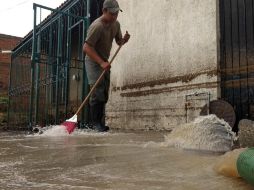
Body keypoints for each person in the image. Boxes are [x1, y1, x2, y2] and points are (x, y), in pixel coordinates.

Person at [83, 0, 130, 132]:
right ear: (104, 11)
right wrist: (101, 62)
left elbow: (118, 41)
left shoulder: (116, 25)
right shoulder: (97, 26)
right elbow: (86, 47)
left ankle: (100, 122)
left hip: (104, 60)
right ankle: (95, 123)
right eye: (112, 13)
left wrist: (124, 40)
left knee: (103, 92)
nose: (115, 16)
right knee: (97, 89)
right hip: (93, 61)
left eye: (116, 13)